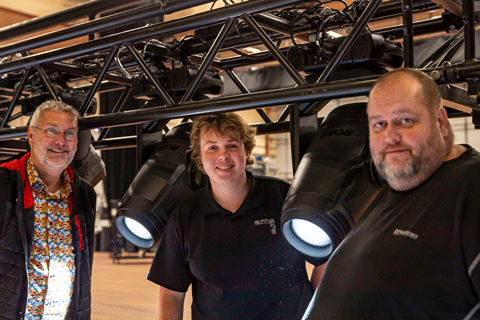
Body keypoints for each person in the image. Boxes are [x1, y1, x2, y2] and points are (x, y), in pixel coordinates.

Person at [302, 67, 480, 319]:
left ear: (440, 121)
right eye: (378, 124)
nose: (390, 137)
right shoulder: (396, 188)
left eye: (405, 120)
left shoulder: (471, 186)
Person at [147, 112, 323, 320]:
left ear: (246, 151)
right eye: (213, 147)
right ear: (200, 158)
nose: (223, 155)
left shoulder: (281, 197)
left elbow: (325, 259)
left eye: (232, 145)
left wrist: (317, 310)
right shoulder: (186, 215)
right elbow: (171, 294)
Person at [0, 100, 97, 320]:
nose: (61, 141)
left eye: (70, 134)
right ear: (31, 136)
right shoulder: (5, 185)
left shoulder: (84, 194)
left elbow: (84, 273)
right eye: (52, 131)